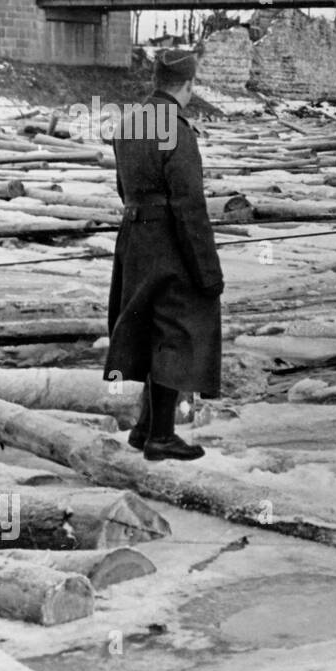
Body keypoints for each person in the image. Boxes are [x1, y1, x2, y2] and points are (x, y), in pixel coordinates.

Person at [105, 48, 223, 461]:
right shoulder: (177, 129)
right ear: (187, 85)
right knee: (178, 330)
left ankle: (144, 429)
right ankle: (161, 436)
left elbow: (124, 189)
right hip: (170, 241)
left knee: (147, 329)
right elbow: (190, 205)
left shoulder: (128, 123)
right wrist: (208, 271)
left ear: (157, 81)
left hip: (133, 239)